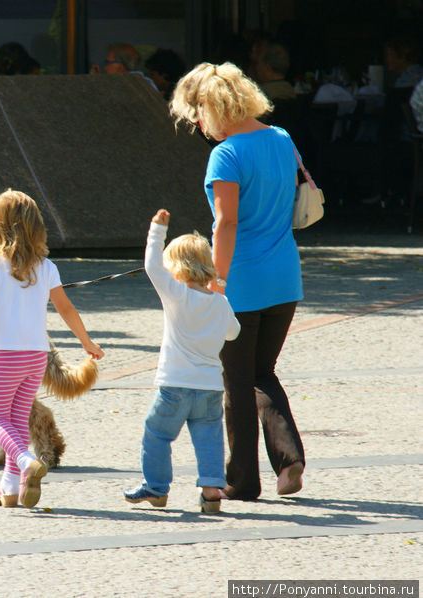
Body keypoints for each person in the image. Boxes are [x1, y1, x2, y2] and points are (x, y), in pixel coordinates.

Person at [169, 62, 306, 501]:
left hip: (242, 283)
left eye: (196, 116)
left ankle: (242, 481)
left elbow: (225, 223)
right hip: (285, 278)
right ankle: (289, 460)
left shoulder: (226, 155)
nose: (197, 126)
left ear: (211, 107)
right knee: (262, 373)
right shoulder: (281, 138)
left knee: (236, 381)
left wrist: (217, 280)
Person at [0, 189, 104, 508]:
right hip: (36, 357)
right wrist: (86, 341)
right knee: (16, 420)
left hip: (4, 357)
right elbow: (66, 308)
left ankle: (27, 463)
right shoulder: (47, 267)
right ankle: (11, 489)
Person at [124, 209, 240, 514]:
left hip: (174, 385)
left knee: (157, 433)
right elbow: (233, 332)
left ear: (176, 267)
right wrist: (220, 296)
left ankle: (157, 487)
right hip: (210, 388)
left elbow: (151, 266)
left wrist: (156, 230)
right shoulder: (220, 302)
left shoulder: (177, 294)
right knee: (209, 439)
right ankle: (212, 489)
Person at [91, 43, 158, 91]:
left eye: (107, 62)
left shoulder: (127, 85)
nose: (105, 67)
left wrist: (94, 81)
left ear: (120, 66)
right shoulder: (145, 82)